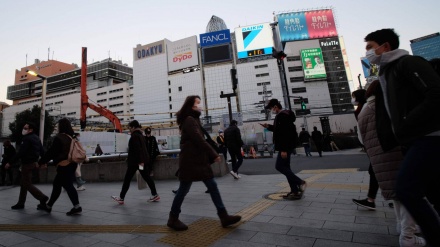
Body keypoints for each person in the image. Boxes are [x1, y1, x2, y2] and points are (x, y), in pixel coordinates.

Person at [364, 28, 440, 246]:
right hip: (413, 140)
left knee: (406, 189)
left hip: (430, 137)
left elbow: (436, 93)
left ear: (385, 46)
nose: (368, 52)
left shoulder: (408, 63)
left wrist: (407, 122)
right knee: (433, 193)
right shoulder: (385, 73)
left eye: (370, 47)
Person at [357, 80, 426, 246]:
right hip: (396, 154)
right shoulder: (387, 106)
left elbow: (361, 138)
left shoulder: (364, 111)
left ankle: (400, 226)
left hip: (378, 159)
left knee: (397, 194)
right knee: (410, 192)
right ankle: (408, 236)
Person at [167, 95, 241, 231]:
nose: (200, 106)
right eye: (198, 103)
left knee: (211, 186)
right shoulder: (189, 120)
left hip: (198, 161)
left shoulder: (193, 119)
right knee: (184, 189)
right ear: (191, 106)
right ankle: (173, 218)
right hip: (191, 162)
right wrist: (214, 154)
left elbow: (200, 140)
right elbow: (199, 140)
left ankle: (223, 216)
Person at [261, 99, 307, 200]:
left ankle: (300, 182)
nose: (271, 111)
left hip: (285, 146)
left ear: (275, 107)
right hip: (287, 146)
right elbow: (279, 130)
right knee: (286, 168)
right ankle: (294, 191)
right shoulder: (285, 115)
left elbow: (285, 134)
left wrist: (283, 149)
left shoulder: (282, 116)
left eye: (271, 108)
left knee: (279, 166)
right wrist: (268, 126)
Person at [38, 118, 82, 215]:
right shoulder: (72, 136)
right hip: (72, 163)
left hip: (64, 165)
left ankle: (77, 206)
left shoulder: (60, 138)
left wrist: (41, 161)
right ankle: (49, 206)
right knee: (57, 184)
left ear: (60, 126)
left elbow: (52, 152)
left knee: (67, 185)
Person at [112, 120, 160, 204]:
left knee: (127, 179)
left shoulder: (134, 136)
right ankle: (155, 194)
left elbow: (138, 150)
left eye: (130, 127)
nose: (129, 129)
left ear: (133, 127)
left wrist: (140, 161)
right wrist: (142, 161)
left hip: (135, 163)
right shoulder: (140, 135)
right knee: (146, 177)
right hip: (140, 162)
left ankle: (121, 198)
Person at [5, 122, 49, 210]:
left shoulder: (27, 139)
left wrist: (10, 162)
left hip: (27, 164)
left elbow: (21, 153)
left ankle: (42, 197)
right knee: (23, 183)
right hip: (33, 163)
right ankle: (21, 203)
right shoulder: (36, 138)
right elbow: (42, 150)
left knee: (26, 183)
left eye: (25, 128)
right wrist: (44, 162)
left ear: (31, 130)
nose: (23, 129)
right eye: (24, 127)